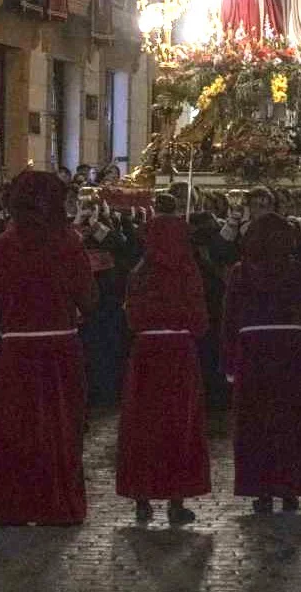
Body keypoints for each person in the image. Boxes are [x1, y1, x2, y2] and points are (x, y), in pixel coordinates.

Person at [0, 171, 96, 525]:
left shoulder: (1, 245)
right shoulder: (68, 242)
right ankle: (54, 504)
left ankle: (14, 504)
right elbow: (89, 299)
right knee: (59, 427)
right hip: (59, 349)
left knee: (16, 426)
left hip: (16, 350)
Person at [223, 213, 301, 513]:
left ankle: (261, 490)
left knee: (257, 422)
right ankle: (290, 487)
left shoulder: (241, 273)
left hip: (253, 351)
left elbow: (229, 320)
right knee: (291, 419)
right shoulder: (297, 271)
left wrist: (229, 362)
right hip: (291, 351)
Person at [116, 213, 211, 524]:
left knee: (143, 424)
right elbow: (199, 318)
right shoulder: (187, 271)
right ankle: (175, 498)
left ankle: (142, 498)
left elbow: (130, 318)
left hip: (146, 352)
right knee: (178, 423)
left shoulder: (139, 273)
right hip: (178, 351)